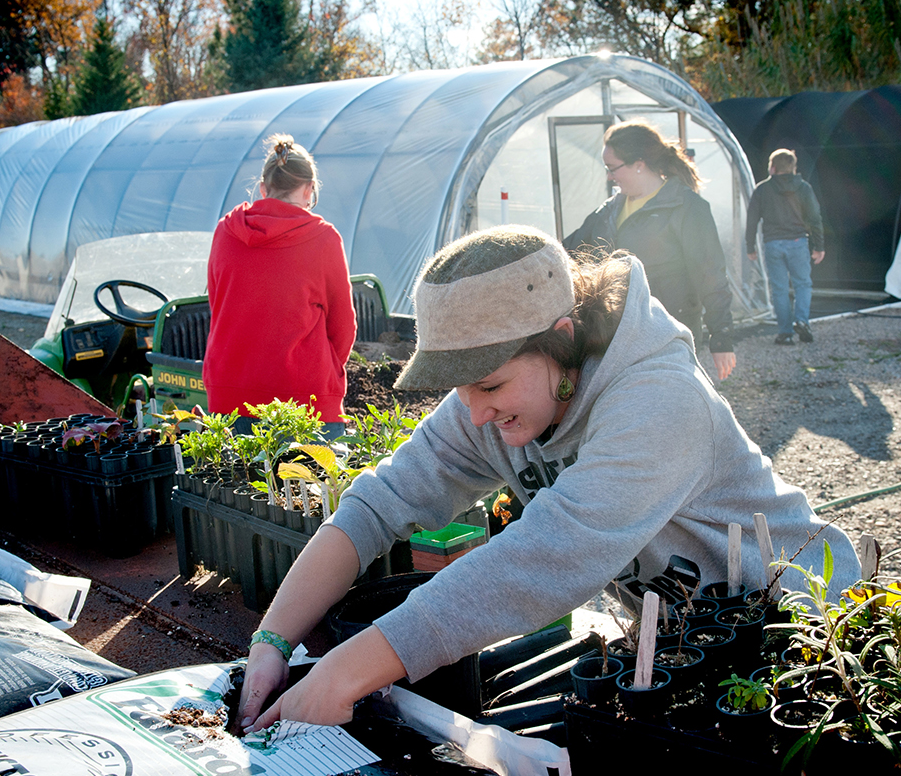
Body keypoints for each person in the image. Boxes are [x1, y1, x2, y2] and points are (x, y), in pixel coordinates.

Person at [234, 225, 859, 732]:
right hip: (680, 636)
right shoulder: (495, 400)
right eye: (462, 388)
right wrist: (272, 640)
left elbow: (545, 559)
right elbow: (379, 503)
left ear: (560, 338)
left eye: (489, 385)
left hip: (801, 628)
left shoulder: (659, 401)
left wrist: (346, 671)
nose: (474, 413)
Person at [203, 135, 356, 436]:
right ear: (309, 189)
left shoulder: (226, 231)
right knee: (313, 483)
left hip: (230, 395)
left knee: (235, 484)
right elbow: (343, 326)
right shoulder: (323, 239)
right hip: (304, 400)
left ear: (263, 188)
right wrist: (320, 370)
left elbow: (218, 305)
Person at [564, 120, 737, 382]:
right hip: (616, 337)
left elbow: (710, 273)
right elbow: (568, 251)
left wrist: (721, 338)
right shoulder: (609, 210)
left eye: (612, 168)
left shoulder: (686, 207)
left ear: (639, 165)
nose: (609, 176)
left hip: (667, 334)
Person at [744, 149, 824, 345]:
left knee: (779, 289)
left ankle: (785, 333)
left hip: (772, 244)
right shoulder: (804, 188)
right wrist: (819, 246)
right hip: (798, 242)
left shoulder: (762, 189)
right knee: (803, 284)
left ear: (772, 167)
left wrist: (750, 246)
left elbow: (752, 219)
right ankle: (802, 321)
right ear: (793, 168)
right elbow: (815, 218)